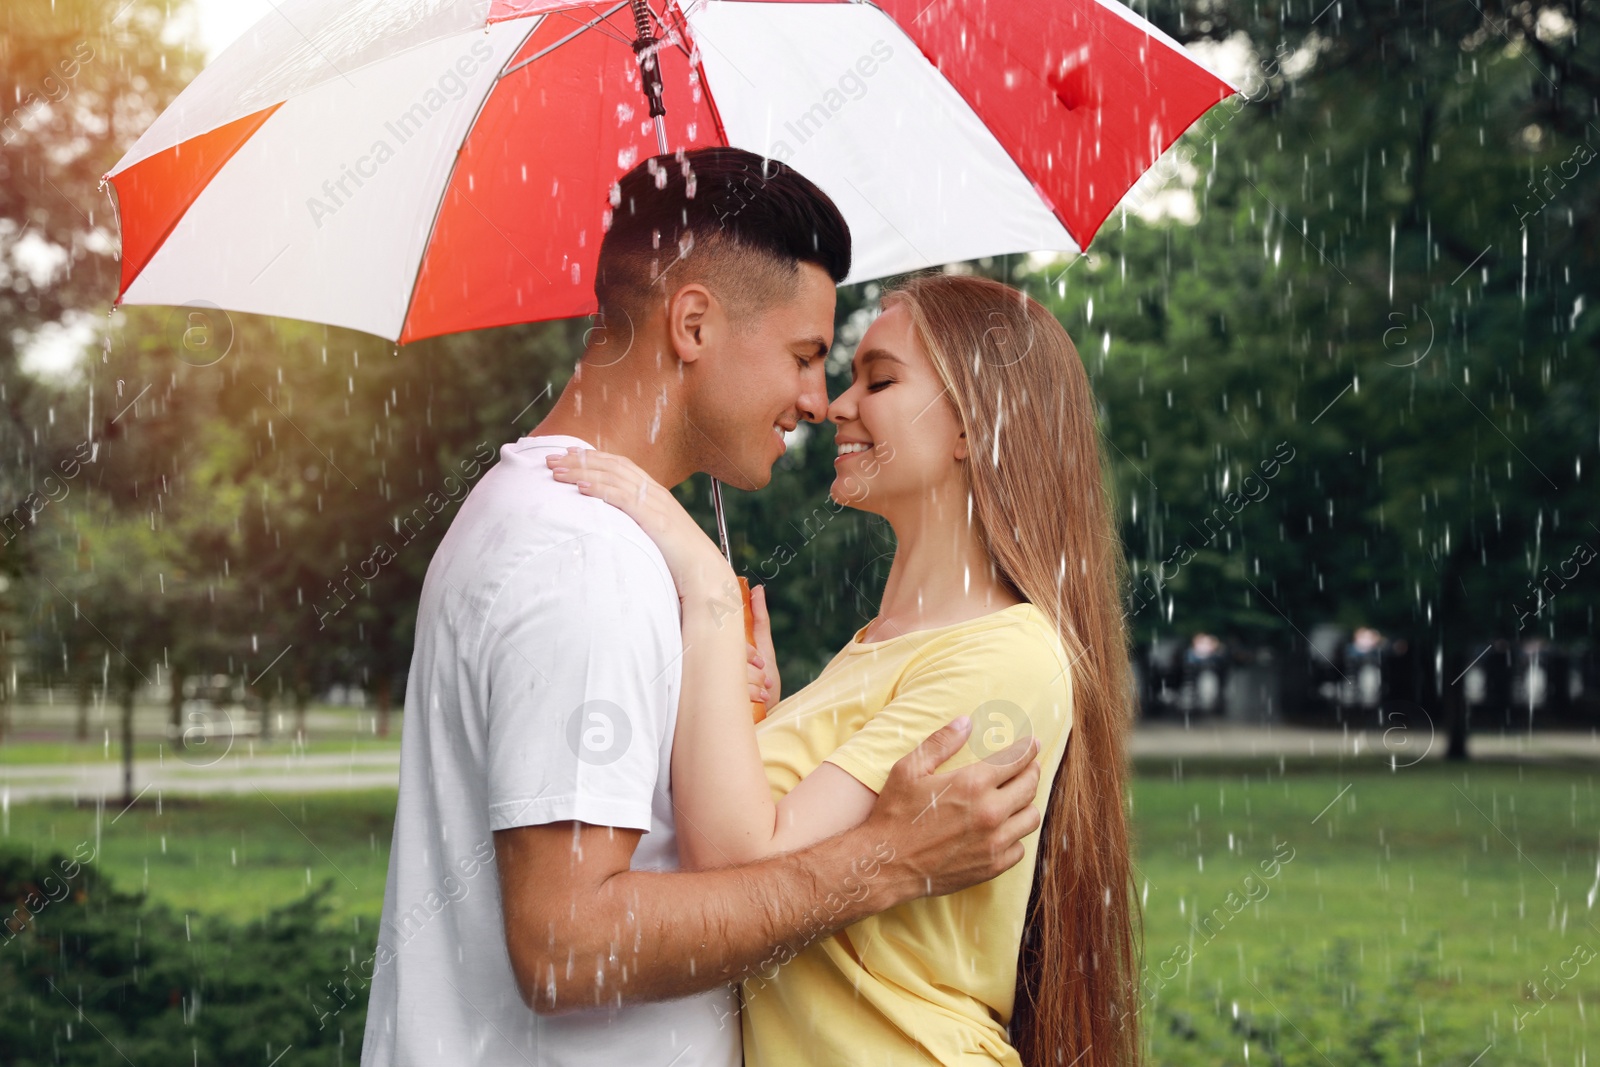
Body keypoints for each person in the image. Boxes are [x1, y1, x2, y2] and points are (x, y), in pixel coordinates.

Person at [359, 148, 1045, 1066]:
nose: (816, 399)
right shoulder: (584, 558)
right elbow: (571, 944)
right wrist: (886, 859)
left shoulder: (566, 523)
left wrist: (733, 706)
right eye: (806, 357)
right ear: (692, 324)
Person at [551, 272, 1142, 1066]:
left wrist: (704, 588)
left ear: (975, 425)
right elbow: (789, 849)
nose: (834, 404)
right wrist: (749, 709)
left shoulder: (1007, 654)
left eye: (880, 379)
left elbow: (740, 866)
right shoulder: (879, 644)